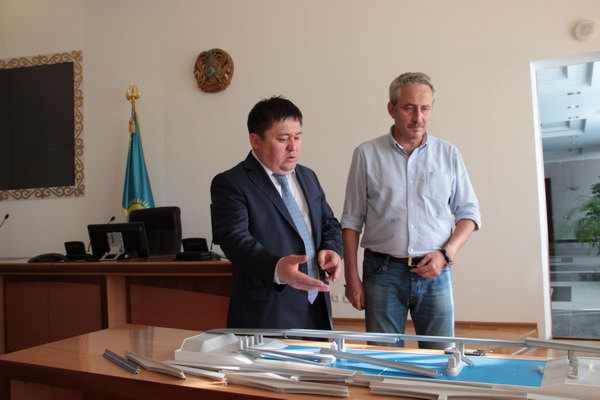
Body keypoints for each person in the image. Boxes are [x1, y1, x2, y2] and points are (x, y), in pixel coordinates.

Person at [341, 72, 481, 349]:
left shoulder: (448, 154)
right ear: (391, 109)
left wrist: (446, 254)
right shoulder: (366, 154)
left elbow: (469, 213)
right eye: (409, 108)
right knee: (384, 358)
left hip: (435, 271)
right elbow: (351, 221)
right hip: (382, 272)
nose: (419, 117)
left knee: (441, 356)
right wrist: (351, 278)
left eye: (425, 108)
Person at [210, 96, 343, 330]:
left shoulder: (308, 176)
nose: (293, 146)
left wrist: (332, 248)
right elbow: (234, 239)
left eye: (297, 137)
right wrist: (277, 267)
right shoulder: (232, 183)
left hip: (316, 306)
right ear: (255, 141)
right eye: (283, 139)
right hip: (268, 310)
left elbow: (328, 223)